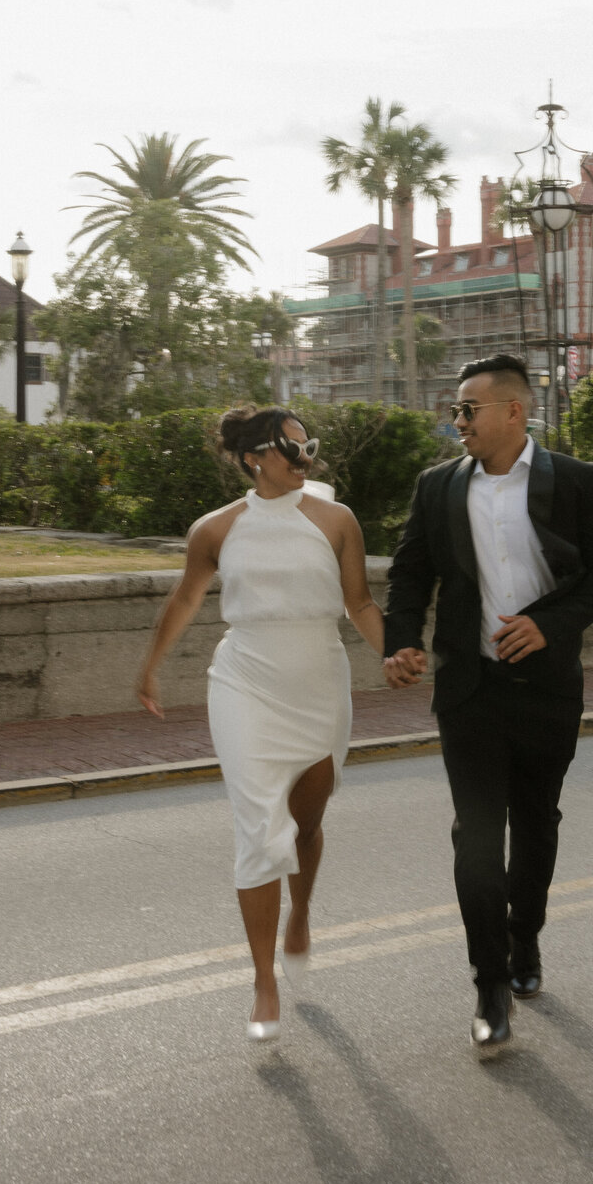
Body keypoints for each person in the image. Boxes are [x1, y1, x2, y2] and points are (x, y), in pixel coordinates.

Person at [383, 354, 593, 1056]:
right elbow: (410, 573)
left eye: (469, 409)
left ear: (514, 412)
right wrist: (401, 642)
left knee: (536, 822)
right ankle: (489, 985)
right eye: (455, 410)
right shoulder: (437, 488)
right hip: (469, 689)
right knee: (476, 835)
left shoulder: (574, 482)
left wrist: (549, 623)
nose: (456, 421)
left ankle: (526, 940)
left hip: (546, 687)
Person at [136, 406, 384, 1043]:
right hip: (244, 682)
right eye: (292, 449)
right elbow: (187, 596)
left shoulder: (336, 521)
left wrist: (396, 652)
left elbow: (358, 602)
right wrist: (151, 667)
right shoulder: (216, 530)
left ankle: (300, 910)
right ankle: (262, 979)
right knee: (258, 830)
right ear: (253, 457)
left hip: (319, 683)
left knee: (306, 823)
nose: (307, 460)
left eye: (310, 448)